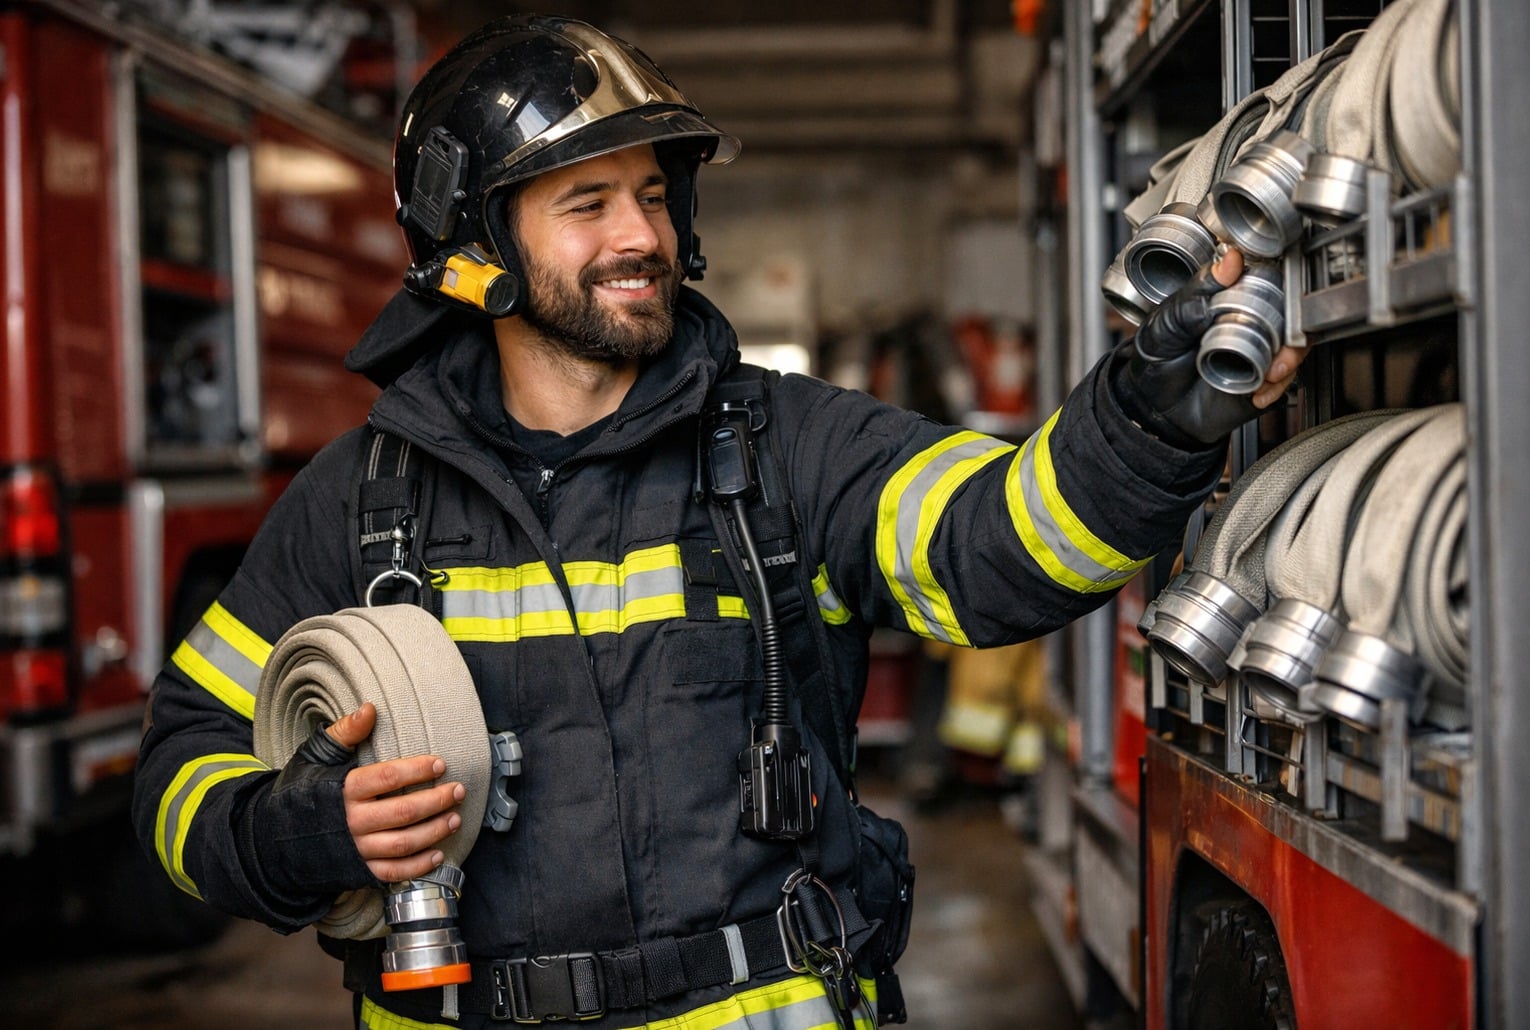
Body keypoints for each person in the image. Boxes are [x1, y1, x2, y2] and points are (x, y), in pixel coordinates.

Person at [132, 14, 1303, 1030]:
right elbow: (176, 775)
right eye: (586, 204)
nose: (640, 236)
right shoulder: (360, 496)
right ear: (476, 243)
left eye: (652, 195)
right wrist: (293, 837)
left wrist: (1147, 420)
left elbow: (1000, 545)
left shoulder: (786, 447)